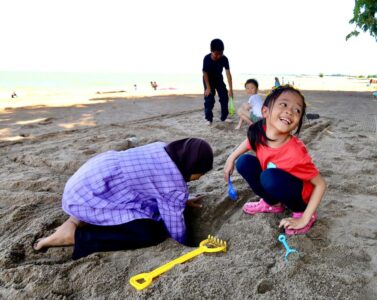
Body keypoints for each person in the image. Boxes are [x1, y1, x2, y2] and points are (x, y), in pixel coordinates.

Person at [34, 138, 214, 259]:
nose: (200, 177)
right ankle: (74, 236)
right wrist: (184, 244)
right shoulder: (173, 184)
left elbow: (152, 186)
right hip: (91, 198)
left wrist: (181, 200)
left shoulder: (162, 149)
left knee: (138, 201)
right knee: (150, 232)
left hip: (84, 186)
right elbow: (174, 224)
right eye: (201, 173)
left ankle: (74, 220)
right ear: (191, 167)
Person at [224, 85, 326, 235]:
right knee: (243, 162)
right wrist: (231, 158)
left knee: (268, 176)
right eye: (283, 104)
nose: (289, 111)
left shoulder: (296, 152)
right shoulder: (262, 131)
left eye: (297, 110)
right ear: (265, 111)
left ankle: (302, 212)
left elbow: (320, 185)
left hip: (299, 196)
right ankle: (274, 204)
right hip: (276, 183)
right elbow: (249, 142)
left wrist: (304, 218)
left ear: (297, 123)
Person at [203, 38, 234, 125]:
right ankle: (208, 119)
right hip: (208, 79)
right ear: (211, 51)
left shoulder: (224, 59)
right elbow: (204, 73)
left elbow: (228, 74)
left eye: (220, 54)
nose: (218, 56)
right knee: (209, 99)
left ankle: (224, 117)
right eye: (216, 54)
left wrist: (231, 89)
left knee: (224, 96)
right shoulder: (206, 58)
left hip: (218, 78)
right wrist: (208, 88)